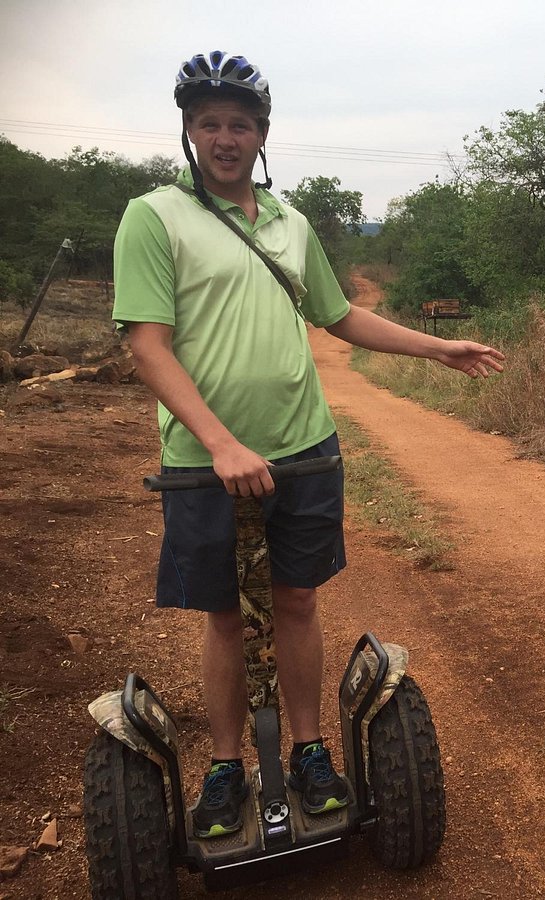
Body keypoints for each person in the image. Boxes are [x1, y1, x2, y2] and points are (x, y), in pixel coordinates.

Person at [112, 50, 505, 840]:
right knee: (225, 616)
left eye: (241, 124)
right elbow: (147, 345)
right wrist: (222, 444)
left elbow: (338, 316)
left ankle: (309, 750)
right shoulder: (153, 217)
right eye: (210, 123)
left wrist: (437, 349)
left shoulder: (289, 223)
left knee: (296, 600)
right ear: (189, 131)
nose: (227, 137)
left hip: (302, 449)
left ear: (263, 134)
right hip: (204, 464)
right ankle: (226, 766)